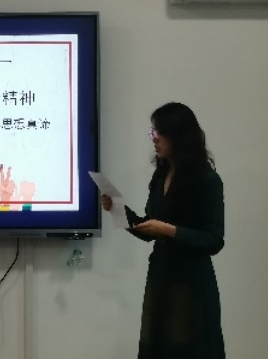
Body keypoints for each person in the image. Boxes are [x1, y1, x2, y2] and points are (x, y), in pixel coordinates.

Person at [102, 102, 225, 359]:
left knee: (186, 351)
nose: (153, 139)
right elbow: (151, 229)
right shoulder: (161, 175)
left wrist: (171, 231)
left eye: (158, 133)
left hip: (190, 283)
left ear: (179, 136)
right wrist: (118, 209)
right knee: (157, 348)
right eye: (152, 132)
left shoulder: (207, 180)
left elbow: (213, 240)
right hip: (160, 275)